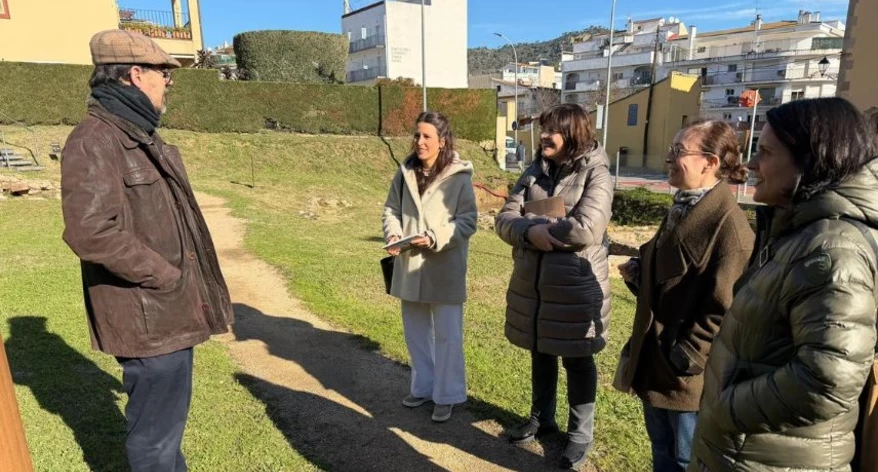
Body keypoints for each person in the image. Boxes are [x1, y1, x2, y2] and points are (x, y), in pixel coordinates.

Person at [60, 30, 234, 471]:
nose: (168, 82)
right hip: (149, 318)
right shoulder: (95, 140)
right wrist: (166, 275)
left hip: (166, 316)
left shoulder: (138, 134)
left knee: (165, 432)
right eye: (163, 73)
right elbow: (90, 231)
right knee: (154, 441)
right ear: (136, 75)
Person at [689, 97, 878, 471]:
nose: (752, 165)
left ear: (809, 162)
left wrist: (726, 407)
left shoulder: (832, 249)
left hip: (766, 456)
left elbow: (828, 380)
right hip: (748, 451)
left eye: (765, 152)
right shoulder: (799, 233)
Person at [616, 120, 754, 472]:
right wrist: (641, 272)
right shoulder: (685, 205)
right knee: (661, 451)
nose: (668, 157)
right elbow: (673, 271)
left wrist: (686, 356)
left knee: (686, 460)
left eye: (679, 151)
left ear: (710, 162)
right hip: (657, 359)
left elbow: (726, 307)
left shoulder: (731, 228)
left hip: (687, 375)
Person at [495, 103, 613, 470]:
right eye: (544, 129)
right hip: (536, 286)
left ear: (573, 134)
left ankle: (580, 436)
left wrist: (540, 229)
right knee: (540, 351)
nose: (544, 135)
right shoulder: (534, 171)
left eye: (552, 130)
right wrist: (531, 231)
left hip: (575, 286)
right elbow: (503, 219)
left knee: (578, 360)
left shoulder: (598, 172)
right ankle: (541, 418)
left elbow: (587, 228)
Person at [381, 111, 477, 423]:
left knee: (448, 336)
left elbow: (468, 220)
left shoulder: (460, 177)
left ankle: (446, 395)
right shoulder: (404, 172)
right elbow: (391, 209)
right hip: (410, 267)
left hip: (445, 266)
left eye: (426, 137)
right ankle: (423, 387)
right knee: (416, 334)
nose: (419, 141)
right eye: (417, 135)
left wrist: (436, 237)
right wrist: (394, 233)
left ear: (442, 141)